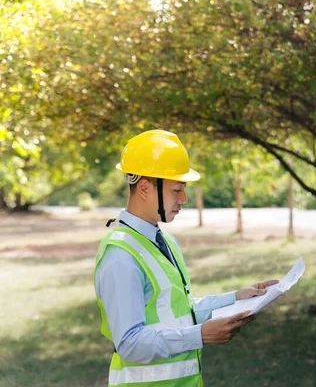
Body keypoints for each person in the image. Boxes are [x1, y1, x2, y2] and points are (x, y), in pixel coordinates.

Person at [93, 129, 278, 386]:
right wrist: (199, 335)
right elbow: (129, 343)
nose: (184, 199)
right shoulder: (121, 256)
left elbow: (180, 311)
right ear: (145, 188)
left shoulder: (166, 241)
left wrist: (235, 298)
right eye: (176, 190)